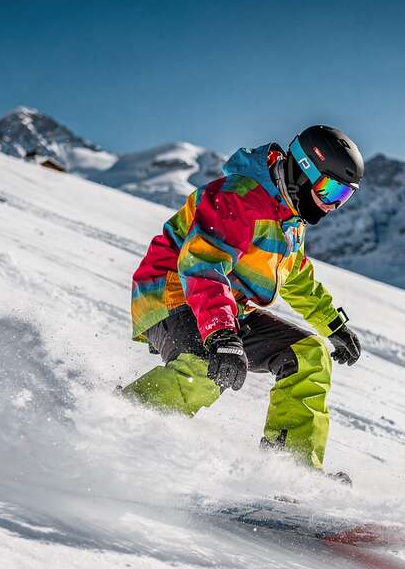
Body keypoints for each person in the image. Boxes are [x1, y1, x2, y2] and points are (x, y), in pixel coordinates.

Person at [122, 125, 364, 476]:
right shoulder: (239, 198)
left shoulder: (291, 219)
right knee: (208, 365)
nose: (332, 205)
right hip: (172, 293)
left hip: (226, 309)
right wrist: (222, 334)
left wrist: (333, 326)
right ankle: (120, 419)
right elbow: (202, 265)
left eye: (344, 197)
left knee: (308, 356)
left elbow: (295, 276)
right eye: (330, 190)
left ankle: (290, 470)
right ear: (304, 170)